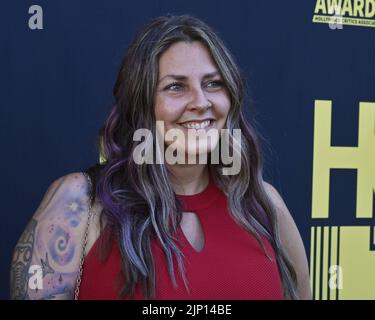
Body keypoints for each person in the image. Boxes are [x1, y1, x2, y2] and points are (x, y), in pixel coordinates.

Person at [10, 14, 311, 300]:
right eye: (176, 87)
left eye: (213, 83)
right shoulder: (77, 203)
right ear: (140, 104)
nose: (201, 102)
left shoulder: (263, 204)